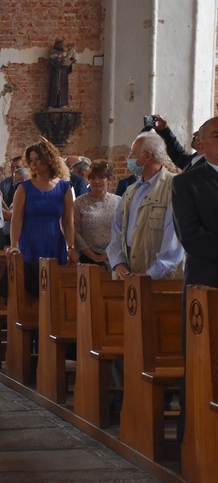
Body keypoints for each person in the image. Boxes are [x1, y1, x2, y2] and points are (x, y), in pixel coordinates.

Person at [172, 116, 218, 442]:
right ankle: (194, 439)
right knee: (202, 364)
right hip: (208, 283)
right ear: (201, 144)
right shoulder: (187, 183)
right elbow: (192, 236)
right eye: (217, 135)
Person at [106, 131, 184, 281]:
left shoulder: (174, 187)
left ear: (147, 156)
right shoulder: (131, 191)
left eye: (133, 153)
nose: (129, 158)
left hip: (161, 278)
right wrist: (119, 262)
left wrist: (149, 275)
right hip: (129, 274)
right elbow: (117, 230)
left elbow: (174, 241)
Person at [6, 140, 77, 295]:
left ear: (49, 158)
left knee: (54, 288)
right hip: (30, 240)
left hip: (54, 241)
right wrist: (14, 245)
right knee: (30, 288)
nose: (34, 163)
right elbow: (16, 219)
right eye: (31, 160)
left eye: (38, 158)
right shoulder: (24, 187)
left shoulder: (64, 187)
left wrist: (70, 247)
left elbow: (68, 220)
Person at [73, 160, 121, 267]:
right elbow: (74, 231)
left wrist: (113, 253)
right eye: (92, 178)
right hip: (87, 257)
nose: (96, 181)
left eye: (100, 177)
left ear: (109, 180)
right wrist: (94, 256)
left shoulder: (119, 202)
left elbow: (124, 230)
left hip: (115, 256)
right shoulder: (80, 202)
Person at [48, 37, 76, 108]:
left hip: (63, 72)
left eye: (62, 44)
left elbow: (68, 59)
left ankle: (62, 103)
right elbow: (53, 62)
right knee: (55, 86)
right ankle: (52, 103)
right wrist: (60, 60)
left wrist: (70, 61)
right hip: (56, 72)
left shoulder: (65, 52)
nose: (61, 45)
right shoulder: (53, 52)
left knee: (63, 87)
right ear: (57, 44)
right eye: (60, 44)